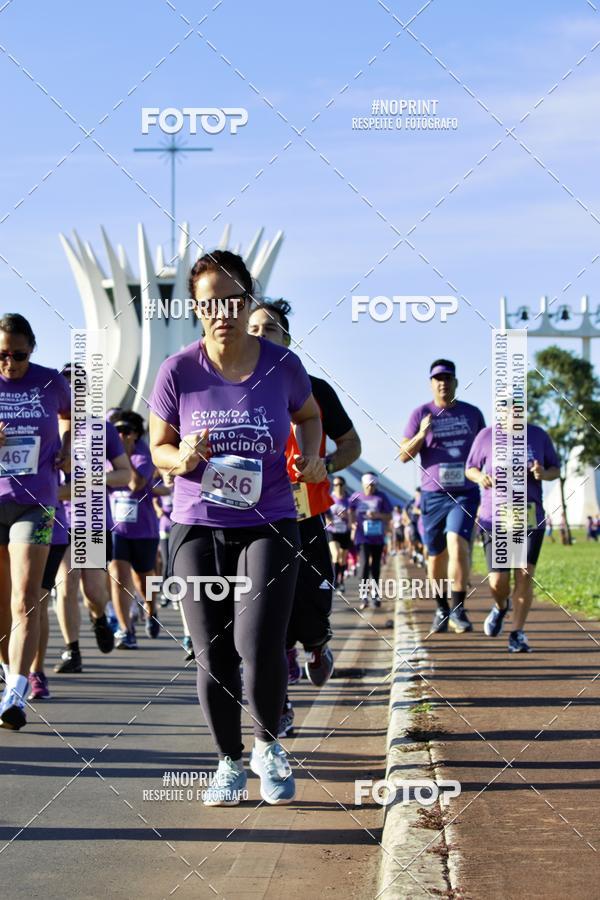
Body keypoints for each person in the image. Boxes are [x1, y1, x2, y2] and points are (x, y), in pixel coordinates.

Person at [149, 250, 325, 805]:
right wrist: (182, 458)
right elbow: (157, 448)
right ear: (195, 308)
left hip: (269, 520)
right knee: (213, 652)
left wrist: (312, 457)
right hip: (196, 524)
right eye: (208, 303)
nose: (221, 311)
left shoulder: (281, 365)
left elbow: (310, 415)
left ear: (249, 299)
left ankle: (268, 747)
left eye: (232, 298)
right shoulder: (177, 370)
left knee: (259, 641)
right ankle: (228, 762)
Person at [248, 298, 361, 738]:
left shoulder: (314, 388)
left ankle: (315, 645)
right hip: (255, 518)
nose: (259, 336)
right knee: (264, 613)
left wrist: (324, 465)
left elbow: (352, 444)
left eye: (269, 330)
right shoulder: (229, 392)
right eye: (252, 328)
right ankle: (280, 705)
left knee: (310, 611)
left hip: (306, 513)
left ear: (287, 341)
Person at [0, 313, 71, 729]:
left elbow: (72, 416)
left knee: (26, 601)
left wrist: (66, 449)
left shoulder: (50, 381)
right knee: (1, 604)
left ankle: (16, 694)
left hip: (37, 503)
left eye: (19, 356)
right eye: (1, 356)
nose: (9, 364)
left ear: (33, 349)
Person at [54, 363, 131, 674]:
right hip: (58, 518)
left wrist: (88, 480)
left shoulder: (102, 429)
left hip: (93, 520)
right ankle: (72, 651)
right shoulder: (47, 427)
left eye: (79, 388)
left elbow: (124, 474)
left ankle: (99, 617)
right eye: (67, 387)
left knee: (94, 593)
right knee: (66, 584)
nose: (73, 394)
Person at [400, 360, 485, 634]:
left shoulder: (472, 414)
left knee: (458, 543)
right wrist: (422, 434)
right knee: (435, 556)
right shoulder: (420, 414)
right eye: (438, 378)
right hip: (433, 496)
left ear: (456, 382)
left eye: (448, 378)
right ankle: (441, 608)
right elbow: (403, 455)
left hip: (465, 493)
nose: (443, 383)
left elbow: (485, 451)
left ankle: (459, 610)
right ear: (431, 383)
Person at [466, 419, 560, 652]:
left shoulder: (538, 435)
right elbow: (470, 468)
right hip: (494, 516)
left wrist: (542, 473)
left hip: (528, 514)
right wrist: (481, 478)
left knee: (524, 574)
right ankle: (500, 607)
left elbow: (555, 469)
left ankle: (517, 633)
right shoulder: (486, 436)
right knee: (498, 581)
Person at [108, 411, 160, 649]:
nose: (121, 435)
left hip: (144, 529)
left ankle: (151, 609)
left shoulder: (143, 455)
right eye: (117, 431)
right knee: (118, 577)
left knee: (144, 577)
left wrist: (126, 454)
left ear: (136, 434)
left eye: (126, 432)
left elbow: (134, 483)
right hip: (116, 528)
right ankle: (125, 629)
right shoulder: (107, 455)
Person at [349, 473, 392, 610]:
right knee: (364, 563)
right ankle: (363, 595)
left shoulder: (382, 497)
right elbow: (350, 510)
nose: (370, 488)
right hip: (362, 536)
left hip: (377, 536)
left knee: (375, 566)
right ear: (362, 484)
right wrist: (352, 524)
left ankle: (375, 594)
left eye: (373, 485)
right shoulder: (356, 496)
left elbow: (389, 515)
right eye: (368, 486)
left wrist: (377, 515)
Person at [325, 476, 352, 591]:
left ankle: (341, 580)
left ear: (344, 485)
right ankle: (334, 581)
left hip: (345, 531)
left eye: (340, 484)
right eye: (336, 485)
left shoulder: (349, 500)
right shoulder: (329, 498)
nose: (338, 487)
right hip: (333, 531)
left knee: (343, 559)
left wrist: (346, 517)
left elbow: (352, 516)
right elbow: (324, 511)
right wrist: (328, 519)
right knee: (335, 555)